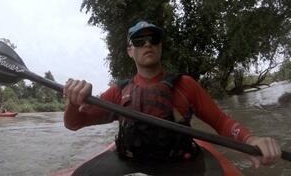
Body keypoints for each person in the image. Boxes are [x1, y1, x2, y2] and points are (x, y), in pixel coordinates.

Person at [63, 20, 281, 168]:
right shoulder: (117, 92)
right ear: (130, 51)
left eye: (153, 39)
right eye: (139, 41)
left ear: (160, 46)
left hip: (180, 164)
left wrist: (250, 139)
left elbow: (221, 122)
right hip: (131, 164)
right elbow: (74, 124)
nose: (147, 43)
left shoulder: (186, 85)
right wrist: (73, 102)